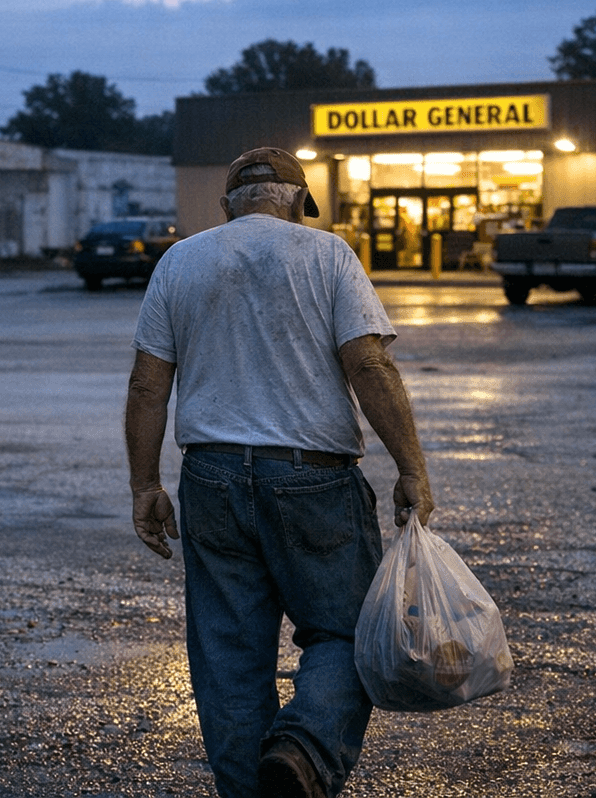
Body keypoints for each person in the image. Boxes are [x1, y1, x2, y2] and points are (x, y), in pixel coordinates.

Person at [123, 147, 436, 798]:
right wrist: (412, 467)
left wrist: (145, 485)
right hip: (313, 479)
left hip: (210, 478)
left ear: (227, 206)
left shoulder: (181, 260)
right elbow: (369, 365)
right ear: (297, 203)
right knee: (348, 633)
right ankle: (303, 749)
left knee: (229, 658)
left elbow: (149, 385)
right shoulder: (329, 255)